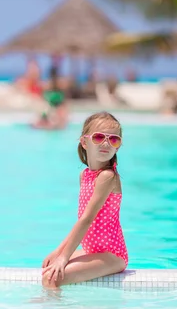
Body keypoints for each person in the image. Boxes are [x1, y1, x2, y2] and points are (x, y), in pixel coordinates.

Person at [41, 112, 128, 288]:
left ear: (118, 147)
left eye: (113, 139)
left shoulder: (107, 177)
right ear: (84, 142)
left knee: (52, 279)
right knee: (50, 268)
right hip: (94, 251)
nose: (106, 143)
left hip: (112, 255)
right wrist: (58, 252)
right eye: (98, 137)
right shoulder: (85, 175)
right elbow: (81, 221)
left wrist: (64, 257)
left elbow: (87, 219)